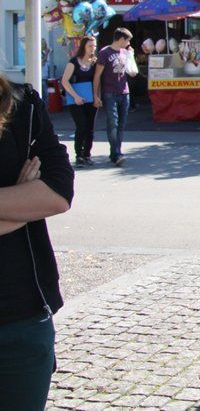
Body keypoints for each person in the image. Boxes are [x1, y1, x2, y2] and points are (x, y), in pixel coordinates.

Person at [0, 73, 74, 410]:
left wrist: (33, 201)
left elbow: (57, 194)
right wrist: (19, 203)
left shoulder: (20, 105)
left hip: (21, 319)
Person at [93, 28, 138, 167]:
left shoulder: (125, 52)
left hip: (124, 92)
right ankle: (116, 153)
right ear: (121, 39)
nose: (129, 43)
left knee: (121, 124)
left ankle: (116, 152)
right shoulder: (105, 52)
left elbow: (132, 72)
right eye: (128, 40)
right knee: (113, 123)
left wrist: (131, 56)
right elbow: (97, 75)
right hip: (110, 92)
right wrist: (96, 95)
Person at [61, 36, 98, 167]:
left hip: (90, 99)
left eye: (94, 46)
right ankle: (79, 155)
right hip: (75, 100)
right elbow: (65, 81)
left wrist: (97, 97)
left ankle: (87, 154)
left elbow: (97, 81)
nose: (92, 48)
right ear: (83, 47)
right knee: (81, 126)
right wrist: (75, 96)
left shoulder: (95, 62)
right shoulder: (73, 62)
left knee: (90, 128)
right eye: (90, 46)